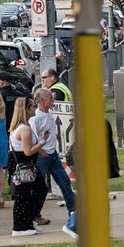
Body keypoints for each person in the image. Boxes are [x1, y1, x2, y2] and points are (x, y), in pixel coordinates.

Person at [30, 89, 77, 236]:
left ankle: (73, 212)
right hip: (42, 157)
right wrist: (40, 151)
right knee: (38, 188)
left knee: (65, 182)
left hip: (53, 156)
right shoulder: (35, 118)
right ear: (41, 101)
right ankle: (33, 214)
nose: (53, 99)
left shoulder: (48, 114)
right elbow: (31, 139)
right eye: (50, 98)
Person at [9, 97, 47, 236]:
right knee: (24, 195)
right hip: (24, 165)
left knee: (35, 191)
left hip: (25, 164)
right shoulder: (24, 129)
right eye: (33, 106)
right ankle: (20, 227)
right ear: (26, 109)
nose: (35, 108)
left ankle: (27, 222)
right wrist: (42, 142)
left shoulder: (22, 127)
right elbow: (28, 151)